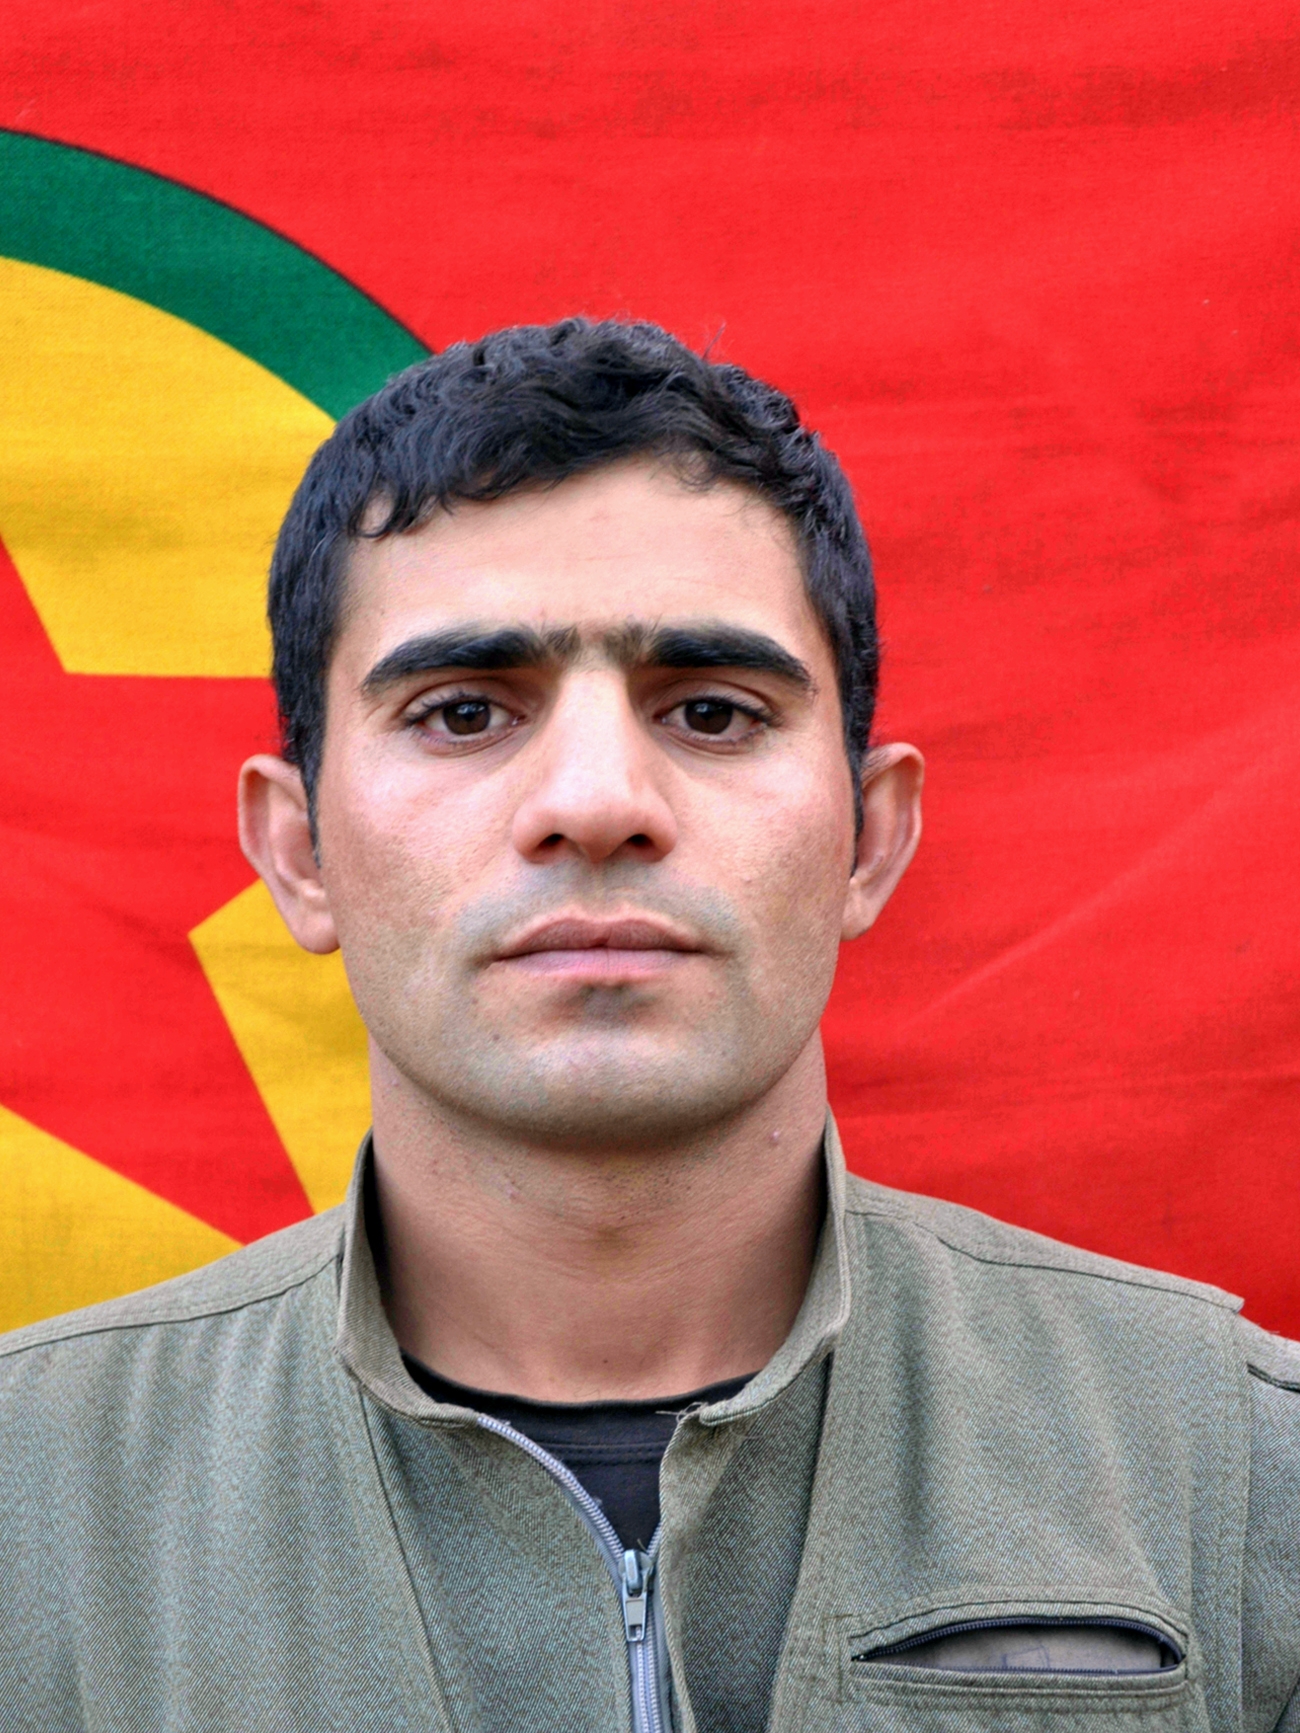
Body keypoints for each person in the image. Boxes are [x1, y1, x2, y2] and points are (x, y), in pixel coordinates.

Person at [0, 318, 1295, 1733]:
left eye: (715, 713)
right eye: (464, 712)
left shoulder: (1237, 1477)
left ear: (870, 837)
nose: (599, 801)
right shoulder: (34, 1506)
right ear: (299, 851)